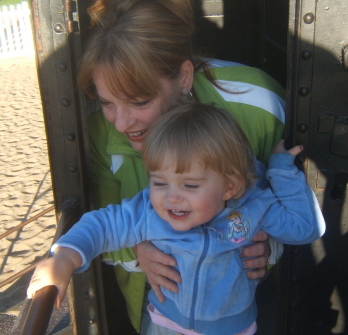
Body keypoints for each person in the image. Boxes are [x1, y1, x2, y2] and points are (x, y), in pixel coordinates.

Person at [75, 0, 286, 332]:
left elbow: (288, 200)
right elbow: (106, 221)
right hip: (158, 311)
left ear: (184, 76)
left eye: (140, 101)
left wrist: (271, 247)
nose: (121, 123)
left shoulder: (259, 106)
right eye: (108, 102)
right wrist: (138, 250)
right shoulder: (97, 132)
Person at [27, 103, 326, 335]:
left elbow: (306, 228)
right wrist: (64, 257)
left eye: (190, 185)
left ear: (229, 186)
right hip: (164, 323)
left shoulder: (253, 206)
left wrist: (282, 171)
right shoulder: (150, 211)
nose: (171, 198)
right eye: (159, 182)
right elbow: (103, 225)